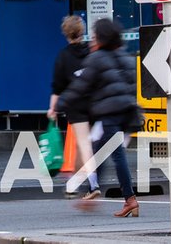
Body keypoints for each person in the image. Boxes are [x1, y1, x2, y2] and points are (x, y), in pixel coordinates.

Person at [60, 17, 139, 219]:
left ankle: (128, 199)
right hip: (126, 114)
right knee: (100, 152)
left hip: (109, 114)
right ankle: (93, 191)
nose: (92, 39)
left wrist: (61, 103)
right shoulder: (126, 57)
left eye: (95, 36)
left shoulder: (97, 58)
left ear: (103, 37)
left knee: (115, 155)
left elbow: (81, 86)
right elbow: (132, 86)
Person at [50, 15, 97, 200]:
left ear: (65, 33)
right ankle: (75, 184)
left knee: (84, 145)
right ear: (82, 31)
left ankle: (93, 184)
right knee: (83, 145)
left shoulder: (63, 56)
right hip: (94, 103)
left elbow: (57, 87)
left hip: (76, 106)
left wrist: (52, 108)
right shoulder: (91, 51)